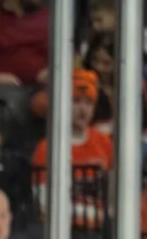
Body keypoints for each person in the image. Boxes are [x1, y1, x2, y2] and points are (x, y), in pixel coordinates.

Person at [31, 67, 115, 230]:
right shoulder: (47, 148)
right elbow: (43, 204)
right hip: (64, 230)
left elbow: (113, 195)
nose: (83, 110)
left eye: (89, 103)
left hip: (100, 231)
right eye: (76, 101)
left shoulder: (104, 142)